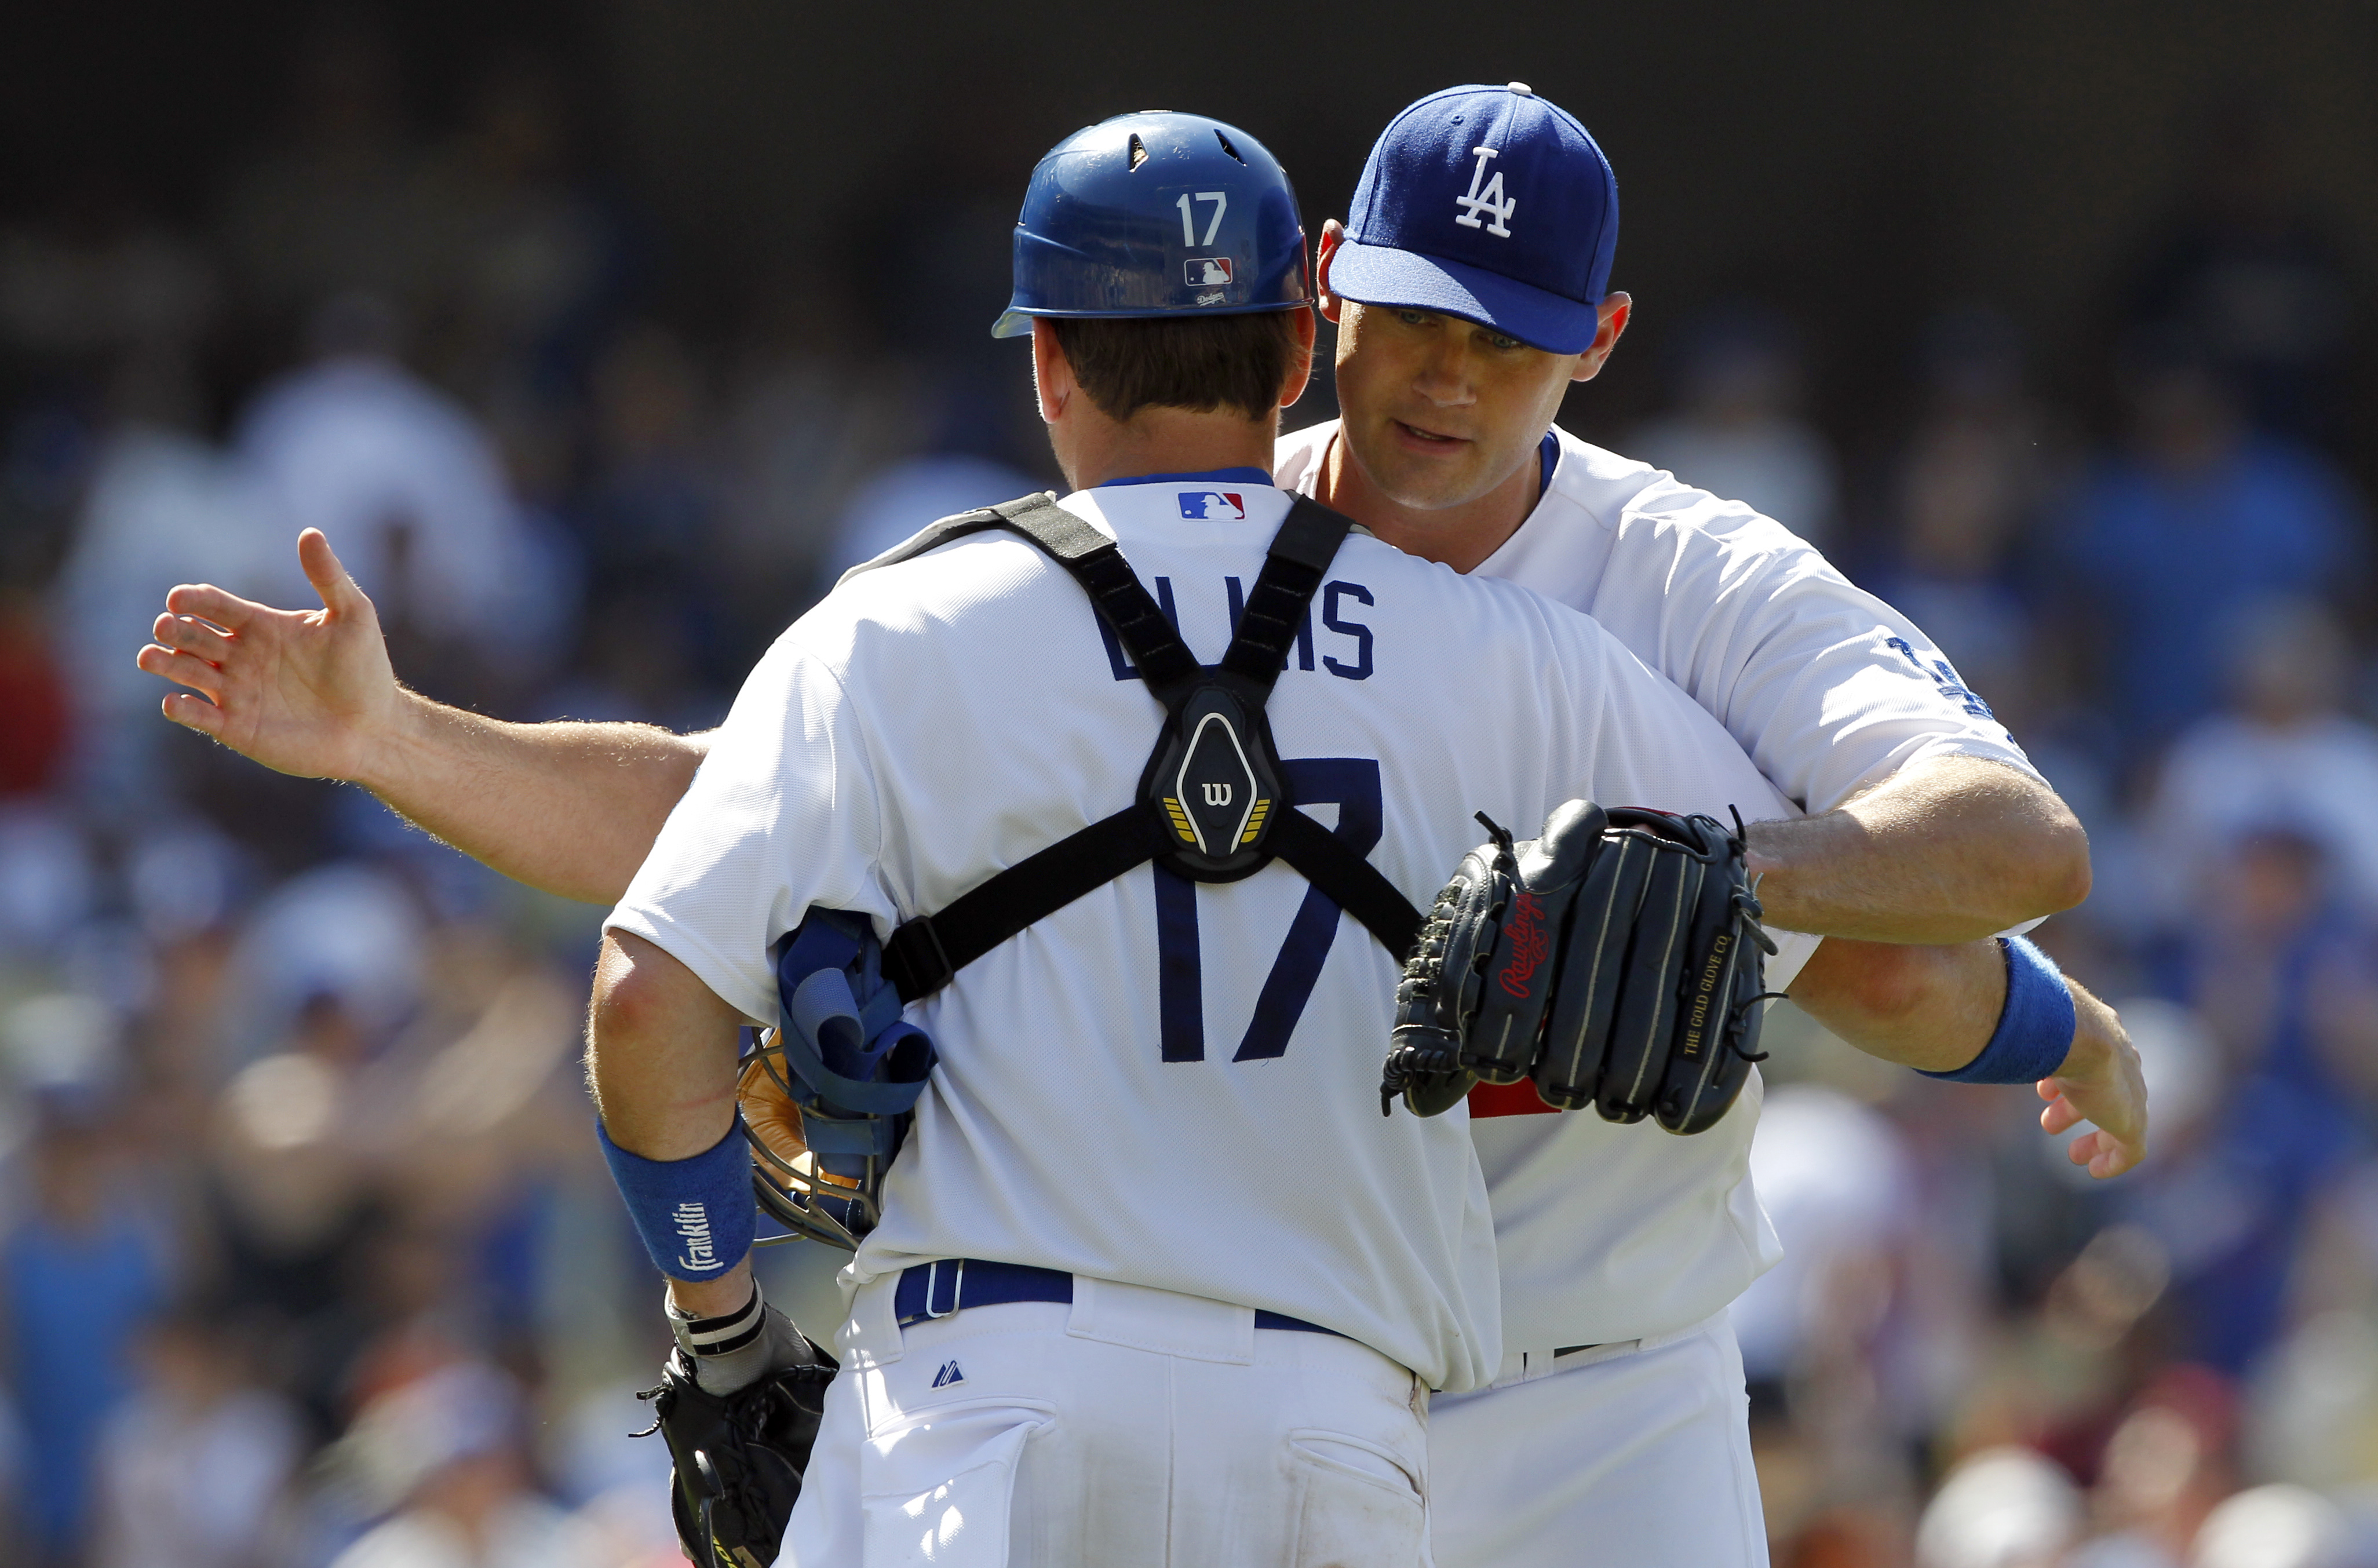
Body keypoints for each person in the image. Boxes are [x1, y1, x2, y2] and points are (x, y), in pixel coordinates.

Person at [138, 90, 2146, 1566]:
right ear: (1322, 296)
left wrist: (2031, 1007)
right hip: (1327, 1385)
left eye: (1509, 339)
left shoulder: (1674, 586)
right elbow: (728, 809)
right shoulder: (1391, 618)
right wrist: (403, 737)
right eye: (1415, 316)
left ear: (1600, 343)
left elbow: (1970, 865)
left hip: (1589, 1383)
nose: (1447, 380)